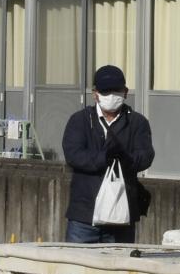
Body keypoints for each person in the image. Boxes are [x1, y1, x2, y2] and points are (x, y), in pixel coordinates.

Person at [61, 65, 154, 246]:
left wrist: (126, 158)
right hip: (84, 216)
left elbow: (146, 156)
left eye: (116, 90)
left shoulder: (137, 122)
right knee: (76, 271)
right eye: (105, 91)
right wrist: (104, 158)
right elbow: (73, 155)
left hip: (122, 216)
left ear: (125, 92)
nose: (111, 95)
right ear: (95, 93)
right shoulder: (80, 120)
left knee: (118, 271)